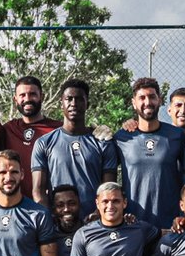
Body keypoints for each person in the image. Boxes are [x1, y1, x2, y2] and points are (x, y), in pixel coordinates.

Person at [30, 78, 119, 206]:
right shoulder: (44, 143)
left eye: (79, 99)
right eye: (69, 99)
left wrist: (98, 214)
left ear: (87, 104)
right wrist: (48, 219)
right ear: (61, 103)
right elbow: (38, 191)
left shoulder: (103, 142)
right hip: (58, 221)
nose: (74, 103)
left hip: (94, 221)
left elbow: (108, 188)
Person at [115, 77, 185, 227]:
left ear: (160, 100)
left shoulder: (176, 136)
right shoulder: (121, 138)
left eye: (152, 97)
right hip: (132, 225)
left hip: (171, 225)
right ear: (133, 102)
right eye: (142, 97)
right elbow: (107, 176)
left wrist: (183, 216)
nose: (147, 102)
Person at [3, 75, 60, 157]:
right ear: (15, 100)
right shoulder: (8, 129)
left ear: (42, 97)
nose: (27, 99)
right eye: (22, 95)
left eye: (32, 94)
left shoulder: (58, 130)